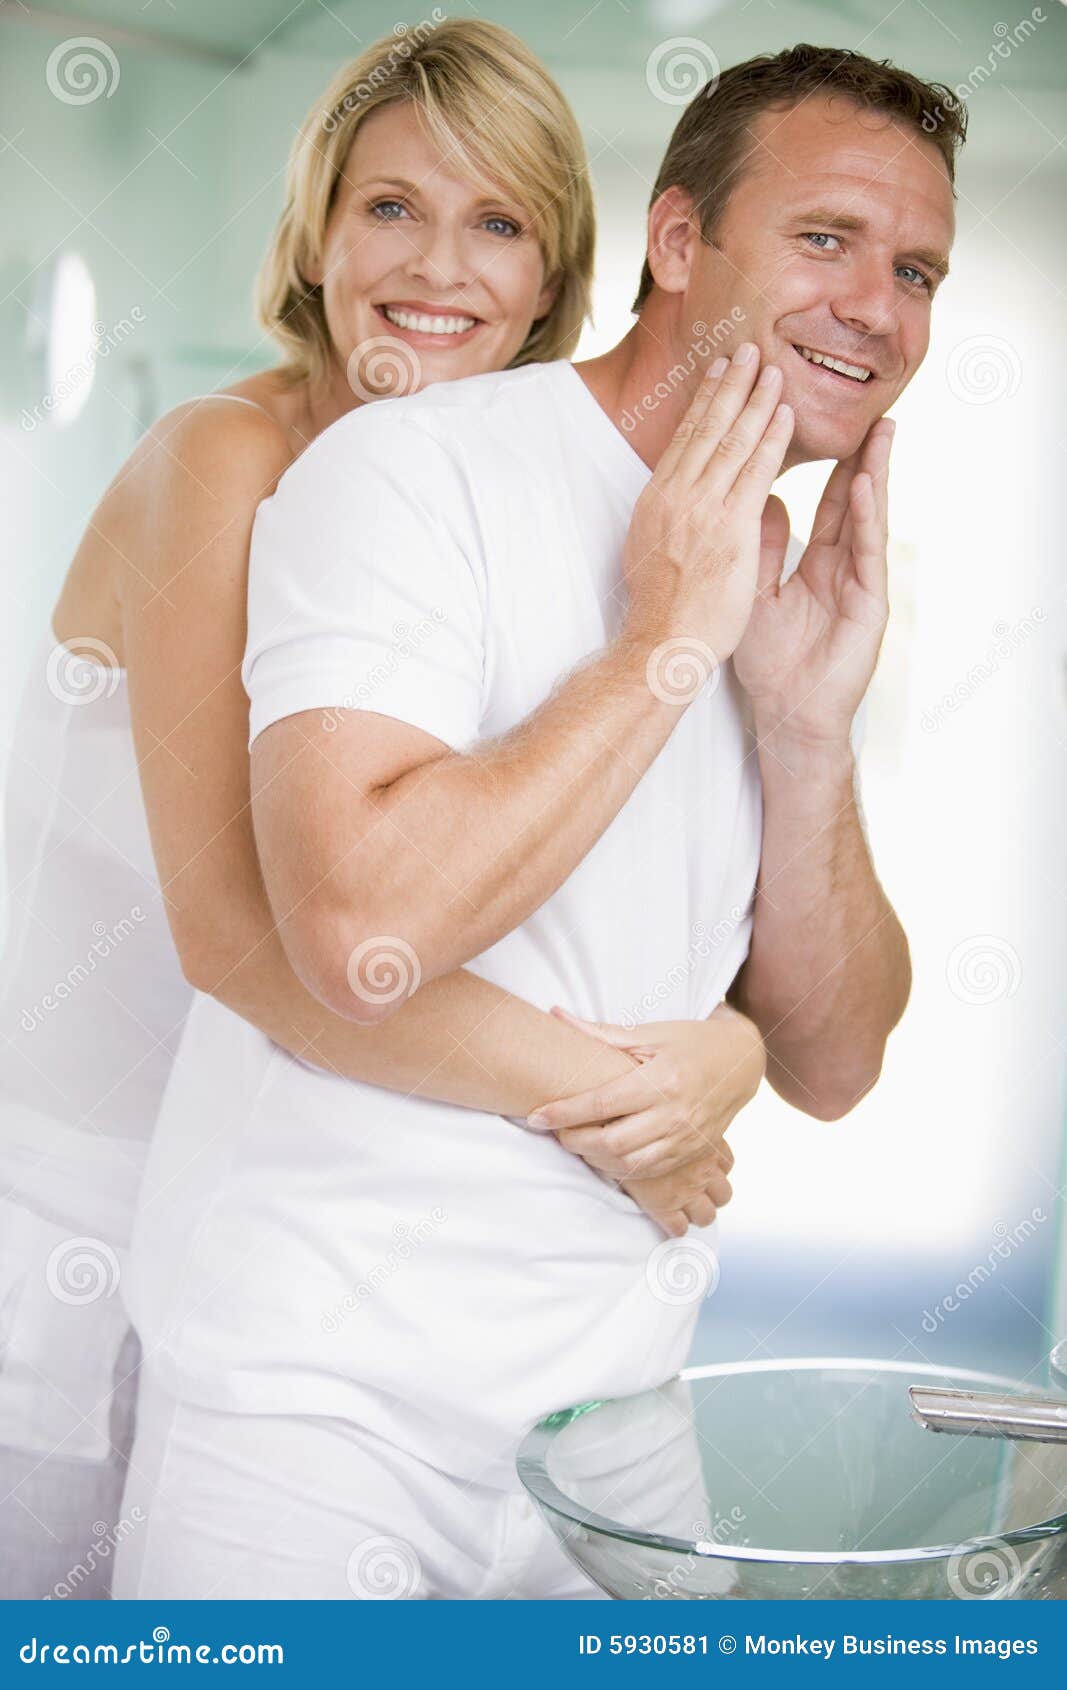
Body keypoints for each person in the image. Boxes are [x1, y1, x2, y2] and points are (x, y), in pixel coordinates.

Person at [110, 41, 960, 1601]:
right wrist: (659, 649)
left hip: (616, 1423)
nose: (877, 307)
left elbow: (835, 1061)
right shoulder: (402, 471)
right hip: (315, 1417)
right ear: (678, 240)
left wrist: (807, 728)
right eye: (826, 240)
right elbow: (354, 924)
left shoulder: (773, 566)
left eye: (916, 268)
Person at [0, 20, 758, 1601]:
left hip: (274, 1239)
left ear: (554, 276)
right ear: (319, 236)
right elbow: (243, 935)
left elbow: (554, 884)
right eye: (390, 209)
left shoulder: (506, 520)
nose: (438, 268)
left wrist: (734, 1047)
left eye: (497, 223)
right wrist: (630, 1116)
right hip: (60, 1237)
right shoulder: (224, 459)